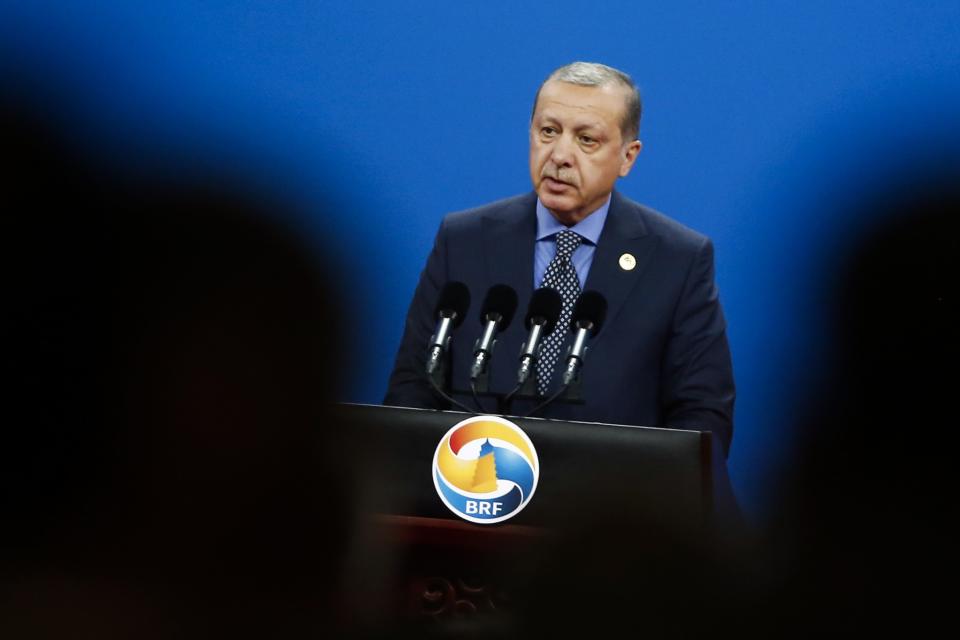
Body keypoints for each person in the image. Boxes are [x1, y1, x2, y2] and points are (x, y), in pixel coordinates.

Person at [384, 62, 735, 454]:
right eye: (548, 132)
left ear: (627, 157)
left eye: (586, 140)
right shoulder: (464, 239)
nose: (560, 155)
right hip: (478, 490)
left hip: (613, 502)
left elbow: (703, 416)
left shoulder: (678, 259)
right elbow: (412, 388)